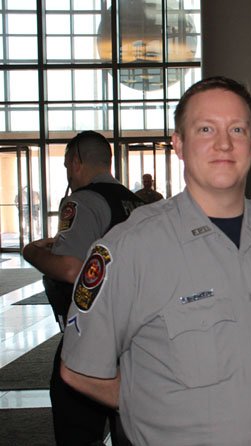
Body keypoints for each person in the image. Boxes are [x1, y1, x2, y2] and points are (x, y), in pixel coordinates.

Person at [60, 76, 251, 445]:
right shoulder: (131, 247)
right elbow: (79, 370)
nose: (224, 143)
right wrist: (146, 409)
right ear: (179, 144)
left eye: (237, 129)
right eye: (206, 128)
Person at [22, 130, 144, 446]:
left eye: (66, 166)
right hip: (136, 339)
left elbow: (70, 268)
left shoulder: (82, 200)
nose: (68, 174)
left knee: (77, 429)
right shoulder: (139, 205)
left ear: (76, 161)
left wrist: (32, 252)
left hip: (91, 338)